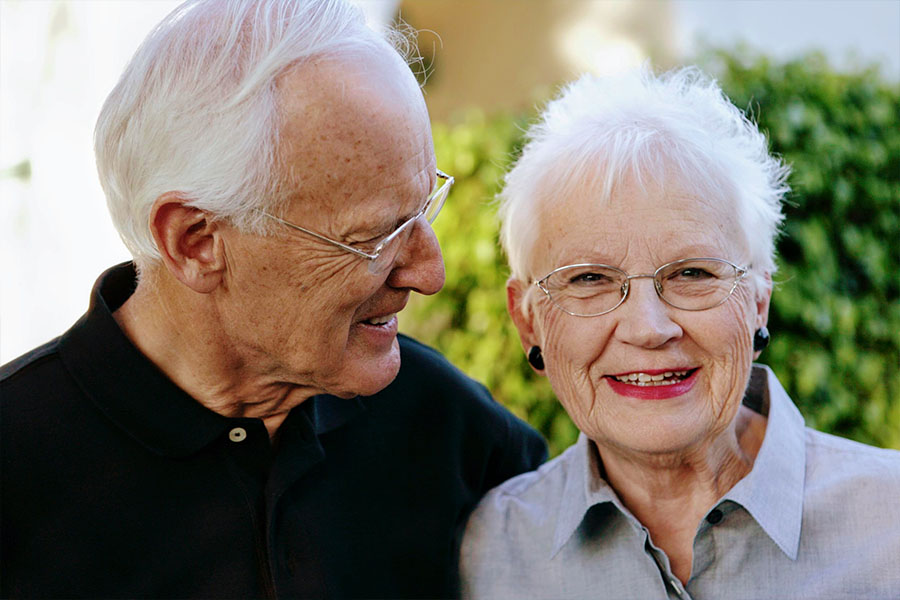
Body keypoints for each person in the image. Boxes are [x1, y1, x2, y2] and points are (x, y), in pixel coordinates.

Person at [0, 1, 547, 597]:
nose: (429, 272)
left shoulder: (447, 426)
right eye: (373, 237)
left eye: (423, 208)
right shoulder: (17, 466)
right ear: (196, 242)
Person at [460, 66, 900, 599]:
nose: (649, 329)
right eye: (591, 279)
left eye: (692, 273)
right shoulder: (491, 554)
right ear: (527, 318)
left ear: (759, 300)